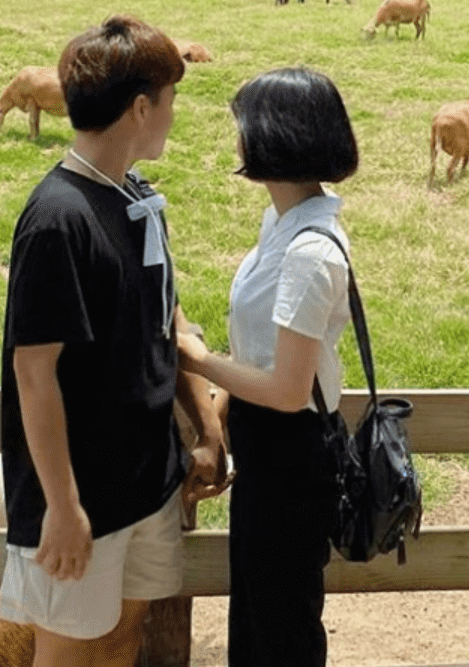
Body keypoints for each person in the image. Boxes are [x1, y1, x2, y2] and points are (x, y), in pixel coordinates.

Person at [0, 14, 225, 667]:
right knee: (71, 654)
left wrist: (203, 424)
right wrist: (63, 510)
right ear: (142, 106)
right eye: (171, 99)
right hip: (80, 498)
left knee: (121, 643)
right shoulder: (57, 221)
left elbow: (164, 324)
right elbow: (34, 374)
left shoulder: (136, 199)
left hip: (144, 483)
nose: (174, 115)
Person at [177, 67, 361, 667]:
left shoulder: (308, 250)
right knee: (257, 619)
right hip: (269, 452)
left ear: (274, 136)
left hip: (291, 453)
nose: (238, 136)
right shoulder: (285, 224)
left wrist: (201, 362)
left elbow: (285, 389)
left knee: (280, 630)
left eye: (244, 125)